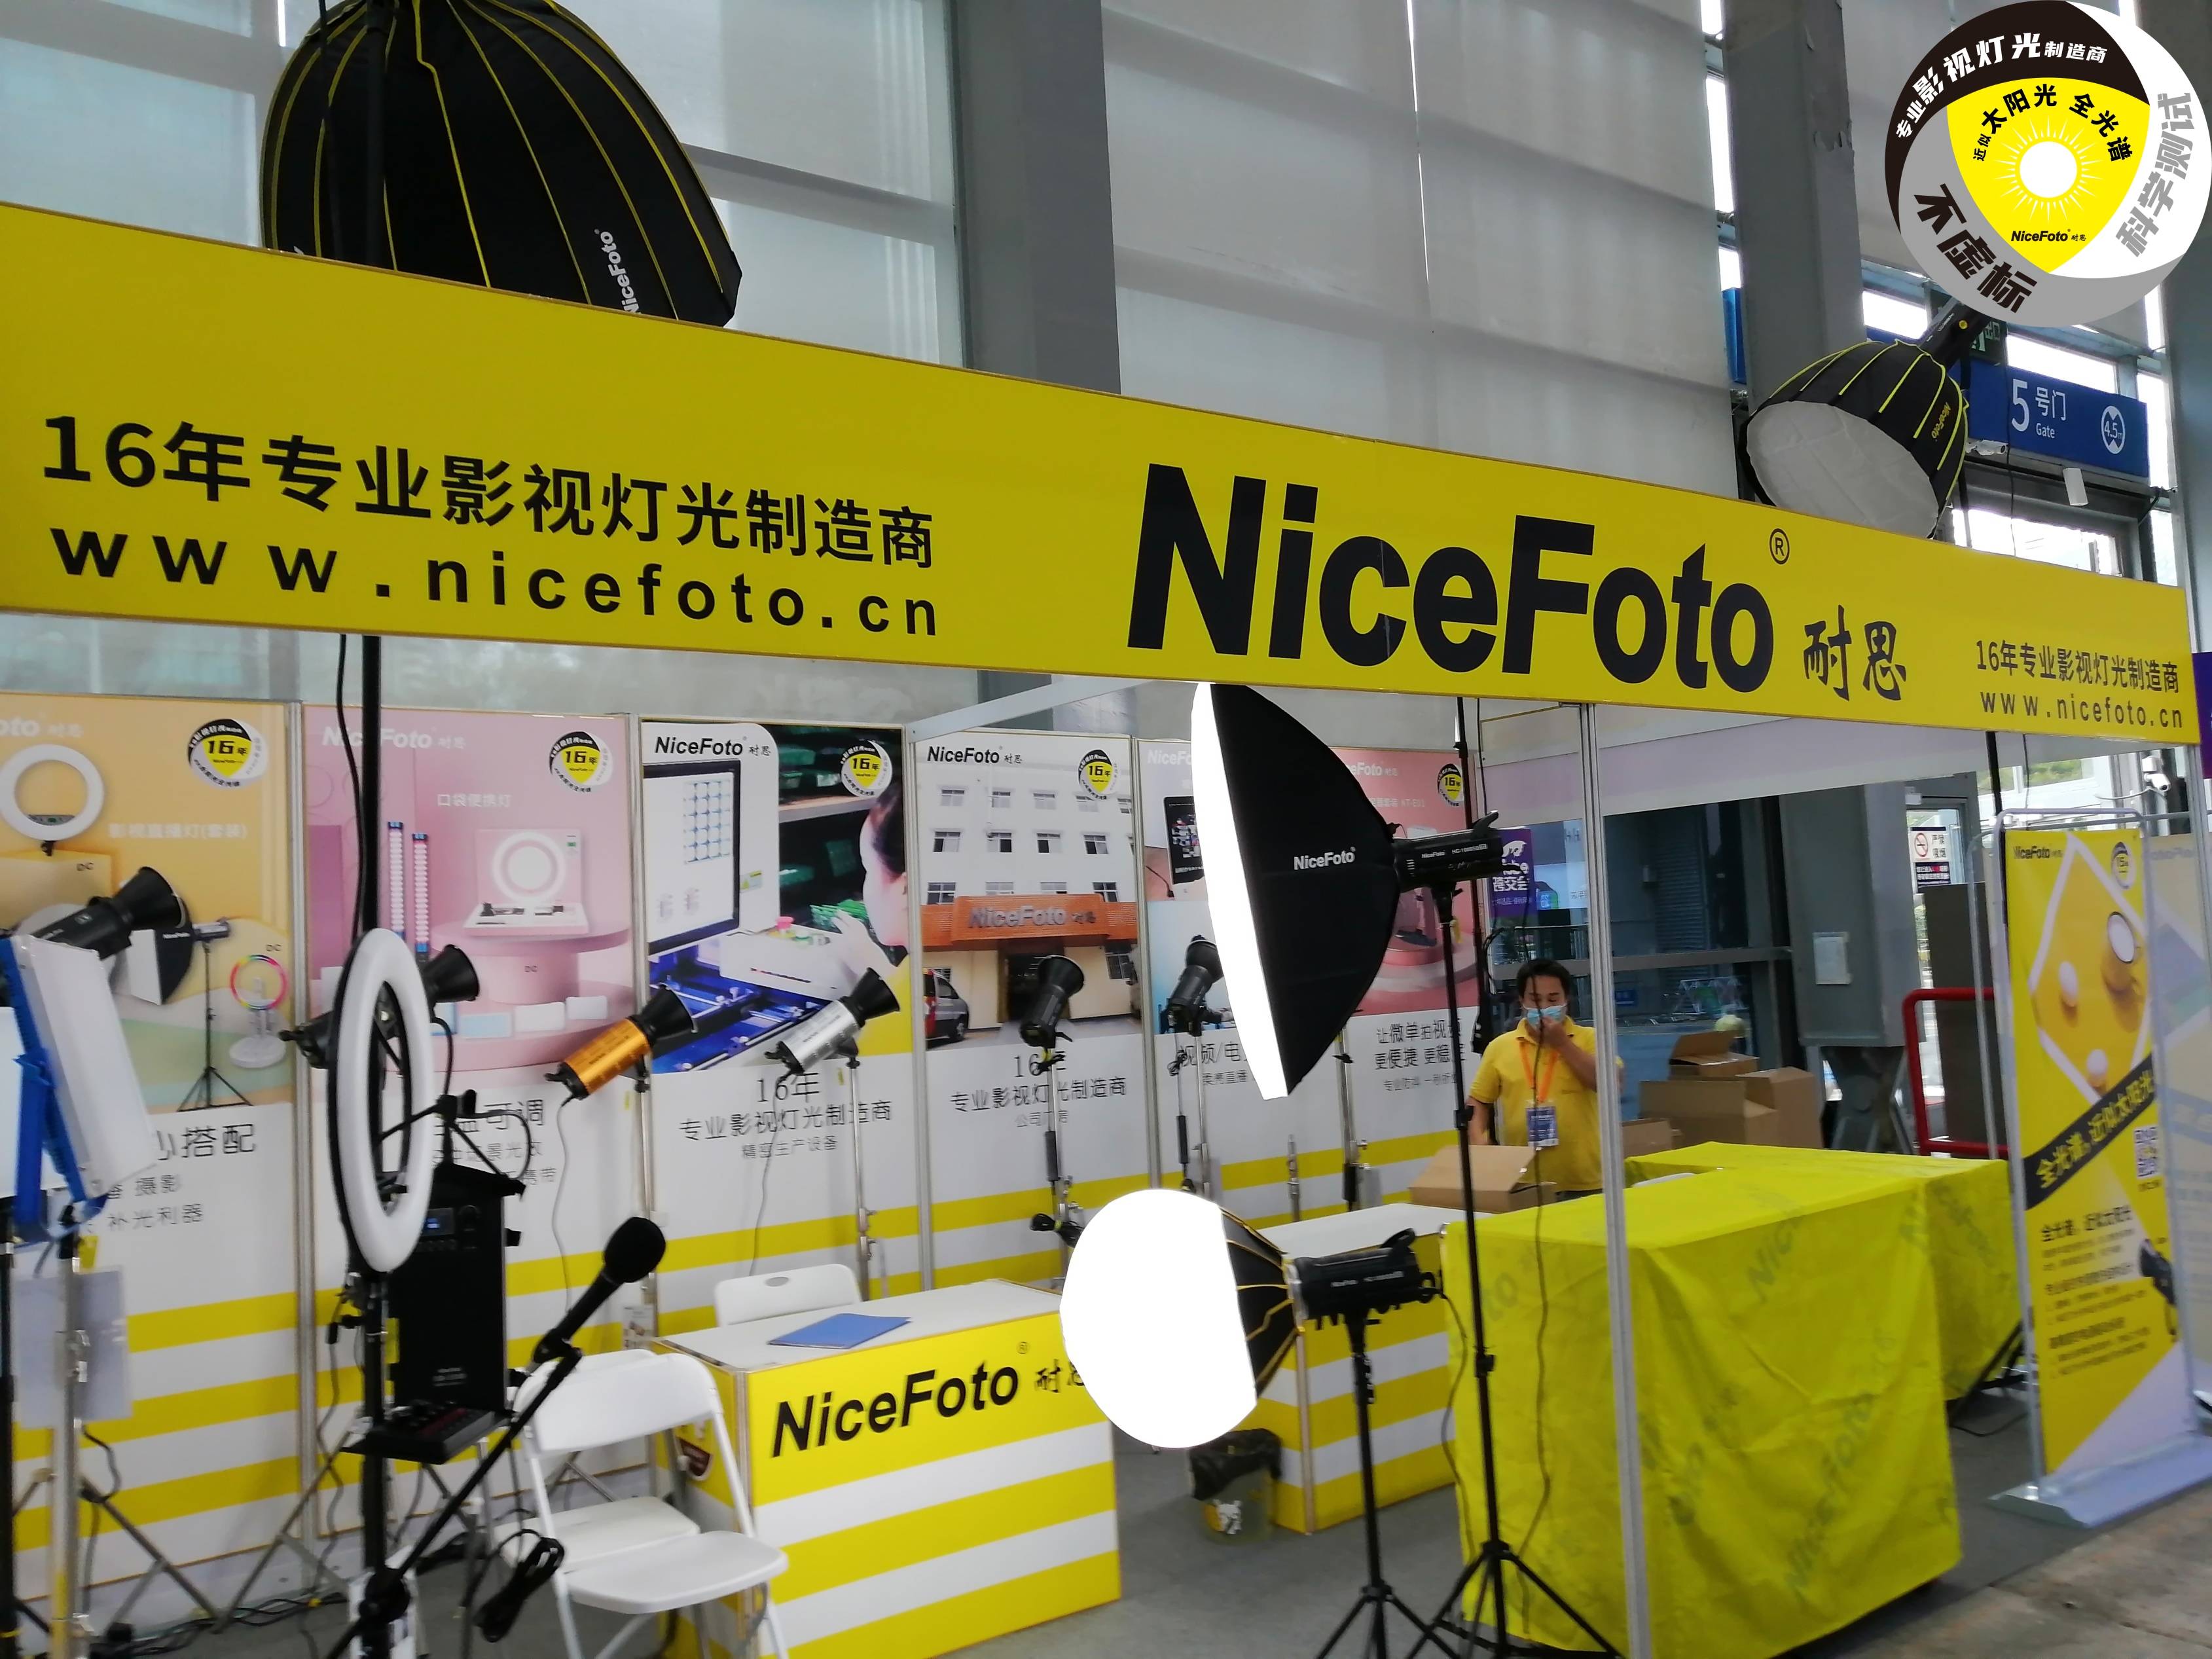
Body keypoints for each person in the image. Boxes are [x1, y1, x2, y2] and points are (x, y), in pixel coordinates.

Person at [1467, 958, 1612, 1199]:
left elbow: (1609, 1084)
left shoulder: (1590, 1039)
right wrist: (1479, 1142)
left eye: (1553, 1000)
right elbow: (1478, 1101)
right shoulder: (1500, 1047)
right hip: (1523, 1181)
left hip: (1586, 1180)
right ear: (1522, 1001)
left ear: (1566, 1000)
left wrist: (1563, 1043)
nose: (1544, 1007)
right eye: (1535, 1000)